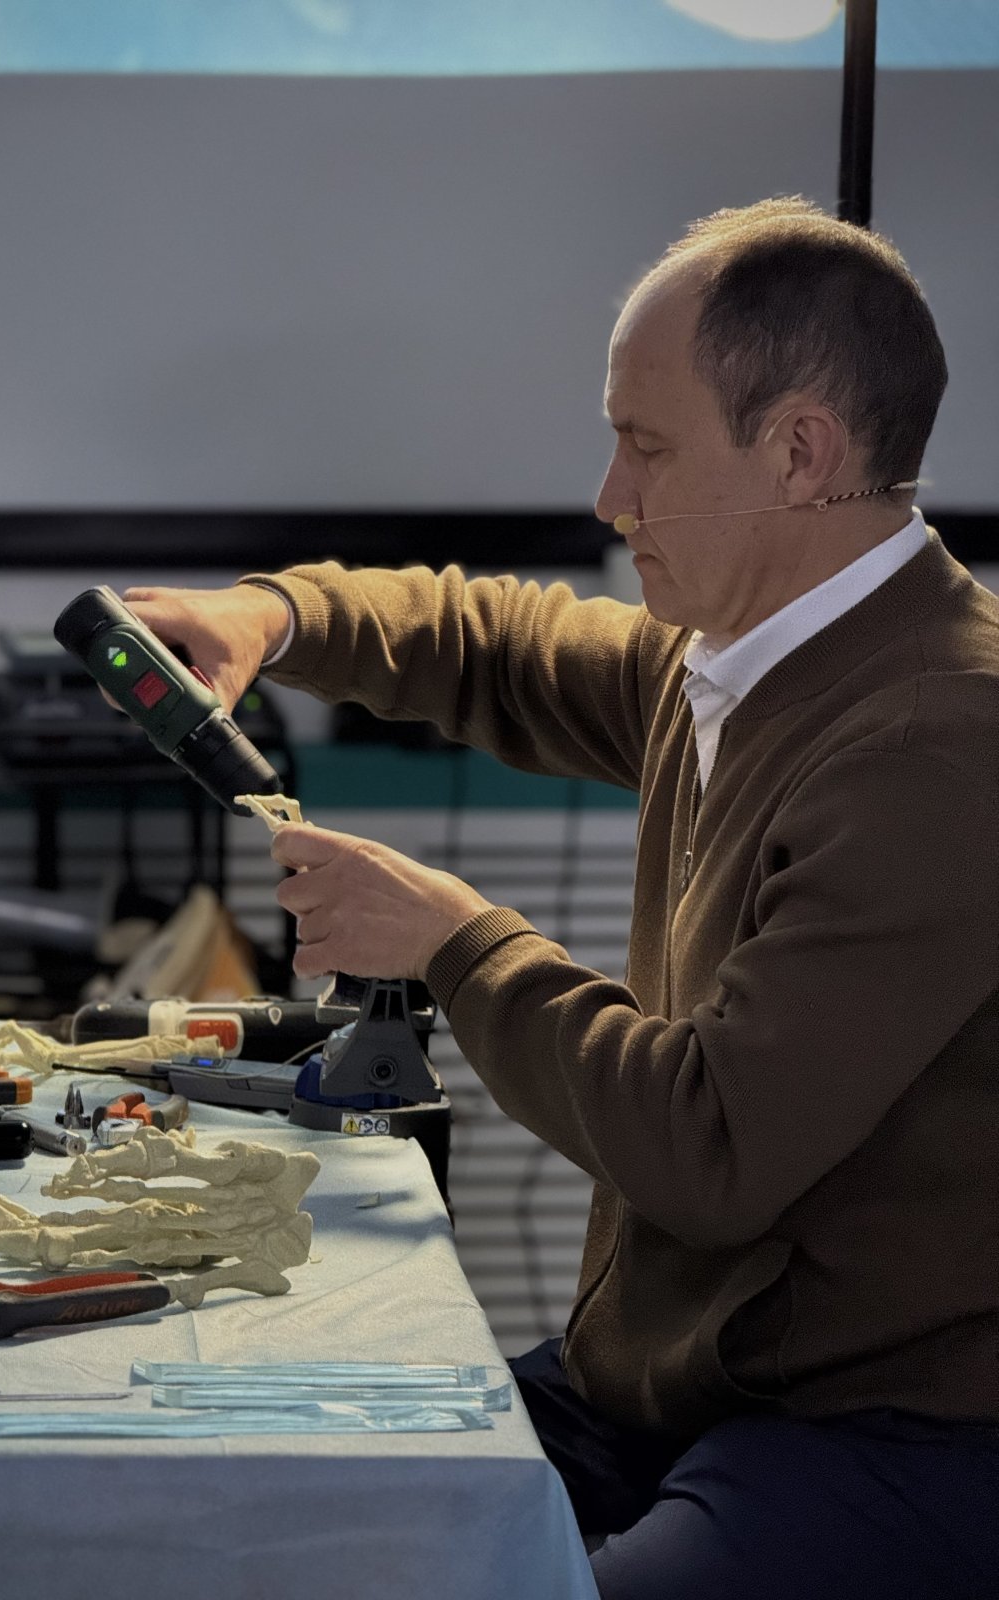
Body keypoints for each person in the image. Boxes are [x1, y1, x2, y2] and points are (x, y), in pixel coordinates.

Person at [122, 199, 999, 1599]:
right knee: (299, 1510)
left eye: (648, 448)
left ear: (800, 453)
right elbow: (499, 644)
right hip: (676, 1385)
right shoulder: (736, 658)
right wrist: (271, 618)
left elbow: (711, 1146)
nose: (609, 497)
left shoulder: (939, 739)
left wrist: (454, 944)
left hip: (883, 1428)